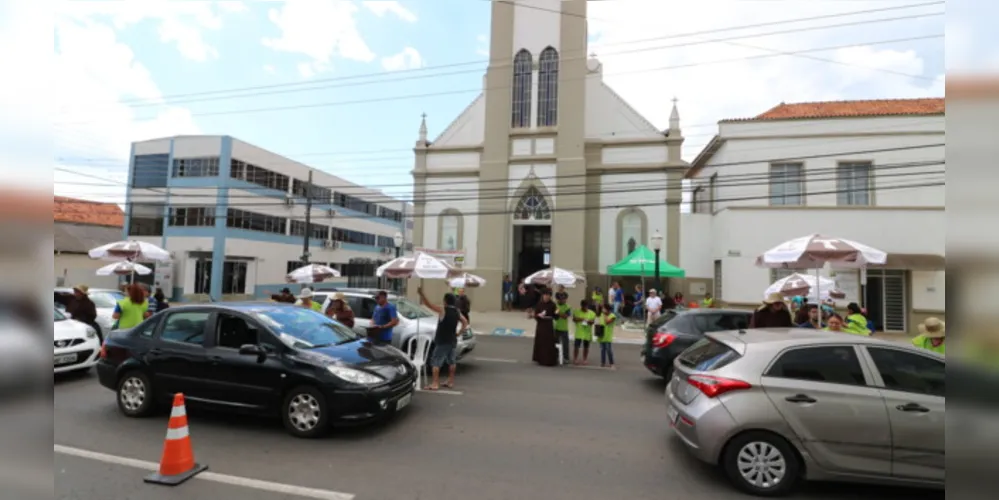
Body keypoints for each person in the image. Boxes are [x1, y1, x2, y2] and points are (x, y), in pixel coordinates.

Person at [418, 288, 469, 389]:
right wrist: (459, 332)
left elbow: (428, 305)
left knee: (436, 362)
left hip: (442, 340)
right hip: (452, 340)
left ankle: (435, 383)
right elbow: (465, 322)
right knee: (452, 361)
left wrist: (422, 294)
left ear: (445, 301)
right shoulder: (457, 311)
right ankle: (450, 381)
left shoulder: (443, 310)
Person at [531, 288, 559, 367]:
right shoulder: (539, 304)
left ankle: (549, 360)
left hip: (548, 325)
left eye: (548, 295)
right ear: (543, 296)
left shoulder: (553, 304)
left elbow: (555, 317)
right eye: (545, 295)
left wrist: (557, 312)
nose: (546, 297)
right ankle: (540, 359)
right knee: (541, 341)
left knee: (548, 342)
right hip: (541, 325)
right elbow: (535, 314)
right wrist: (538, 315)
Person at [572, 300, 596, 365]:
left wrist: (589, 321)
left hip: (587, 333)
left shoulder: (592, 313)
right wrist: (581, 319)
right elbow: (574, 319)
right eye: (583, 306)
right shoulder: (577, 311)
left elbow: (592, 322)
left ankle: (585, 359)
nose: (584, 308)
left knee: (586, 347)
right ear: (581, 306)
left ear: (587, 306)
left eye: (586, 306)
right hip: (579, 332)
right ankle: (575, 359)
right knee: (576, 346)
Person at [553, 288, 572, 365]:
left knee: (565, 344)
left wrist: (558, 313)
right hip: (556, 327)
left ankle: (566, 358)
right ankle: (555, 357)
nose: (564, 300)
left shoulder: (568, 307)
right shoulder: (555, 305)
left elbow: (565, 316)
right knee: (555, 343)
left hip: (564, 328)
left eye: (564, 299)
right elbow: (554, 315)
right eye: (562, 299)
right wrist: (557, 313)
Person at [596, 303, 617, 369]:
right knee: (602, 350)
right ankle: (602, 362)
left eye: (604, 309)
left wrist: (604, 314)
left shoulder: (612, 316)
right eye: (603, 308)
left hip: (608, 336)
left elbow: (607, 322)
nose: (603, 310)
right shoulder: (602, 314)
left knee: (608, 350)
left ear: (608, 309)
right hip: (602, 335)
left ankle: (612, 363)